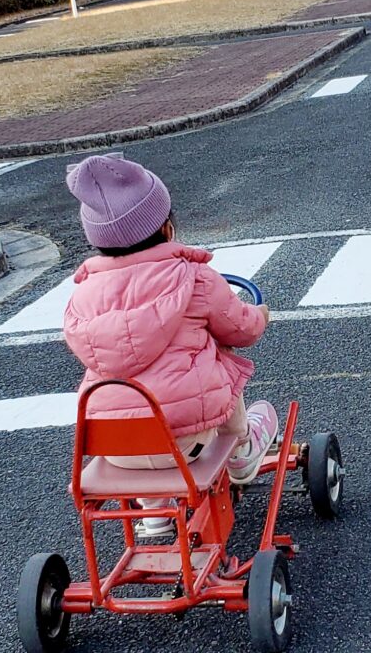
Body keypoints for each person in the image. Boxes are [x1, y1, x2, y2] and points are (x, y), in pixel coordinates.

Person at [63, 153, 276, 536]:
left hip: (115, 448)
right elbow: (241, 330)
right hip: (186, 442)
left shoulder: (82, 295)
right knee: (219, 361)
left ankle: (154, 511)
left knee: (130, 392)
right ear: (166, 228)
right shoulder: (194, 277)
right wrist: (260, 315)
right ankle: (242, 449)